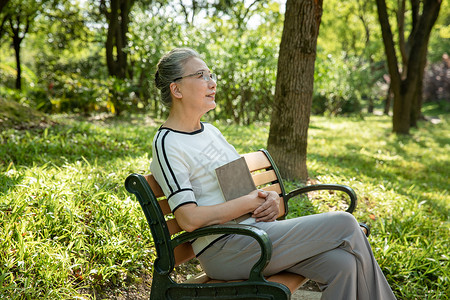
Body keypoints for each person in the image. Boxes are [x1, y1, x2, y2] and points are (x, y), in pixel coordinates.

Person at [150, 47, 396, 300]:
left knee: (343, 264)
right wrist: (249, 201)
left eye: (211, 75)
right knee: (345, 223)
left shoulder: (211, 132)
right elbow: (188, 219)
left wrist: (267, 199)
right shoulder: (168, 143)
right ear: (176, 89)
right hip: (226, 249)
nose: (211, 83)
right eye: (201, 75)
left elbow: (240, 188)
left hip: (256, 235)